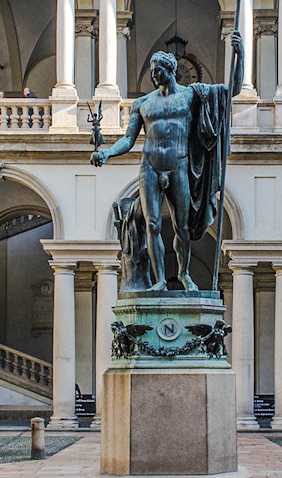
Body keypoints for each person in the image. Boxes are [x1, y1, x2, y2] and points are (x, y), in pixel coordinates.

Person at [91, 31, 244, 291]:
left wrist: (239, 56)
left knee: (181, 227)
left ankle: (184, 274)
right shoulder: (142, 104)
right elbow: (129, 139)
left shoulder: (191, 95)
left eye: (157, 70)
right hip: (149, 167)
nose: (153, 75)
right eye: (152, 71)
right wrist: (106, 152)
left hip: (179, 165)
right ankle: (160, 279)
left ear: (170, 69)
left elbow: (233, 91)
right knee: (152, 224)